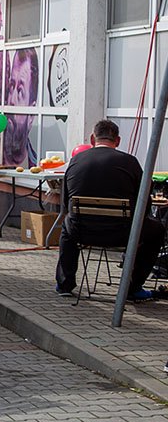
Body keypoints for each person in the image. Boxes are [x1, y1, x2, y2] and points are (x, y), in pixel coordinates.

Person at [55, 120, 164, 300]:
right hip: (123, 233)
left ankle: (64, 283)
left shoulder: (76, 161)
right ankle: (133, 287)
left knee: (67, 226)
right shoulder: (130, 162)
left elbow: (67, 202)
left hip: (82, 231)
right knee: (157, 230)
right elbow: (144, 203)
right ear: (118, 140)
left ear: (92, 138)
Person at [4, 48, 39, 166]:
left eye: (20, 91)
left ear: (31, 116)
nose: (12, 101)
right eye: (11, 86)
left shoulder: (36, 164)